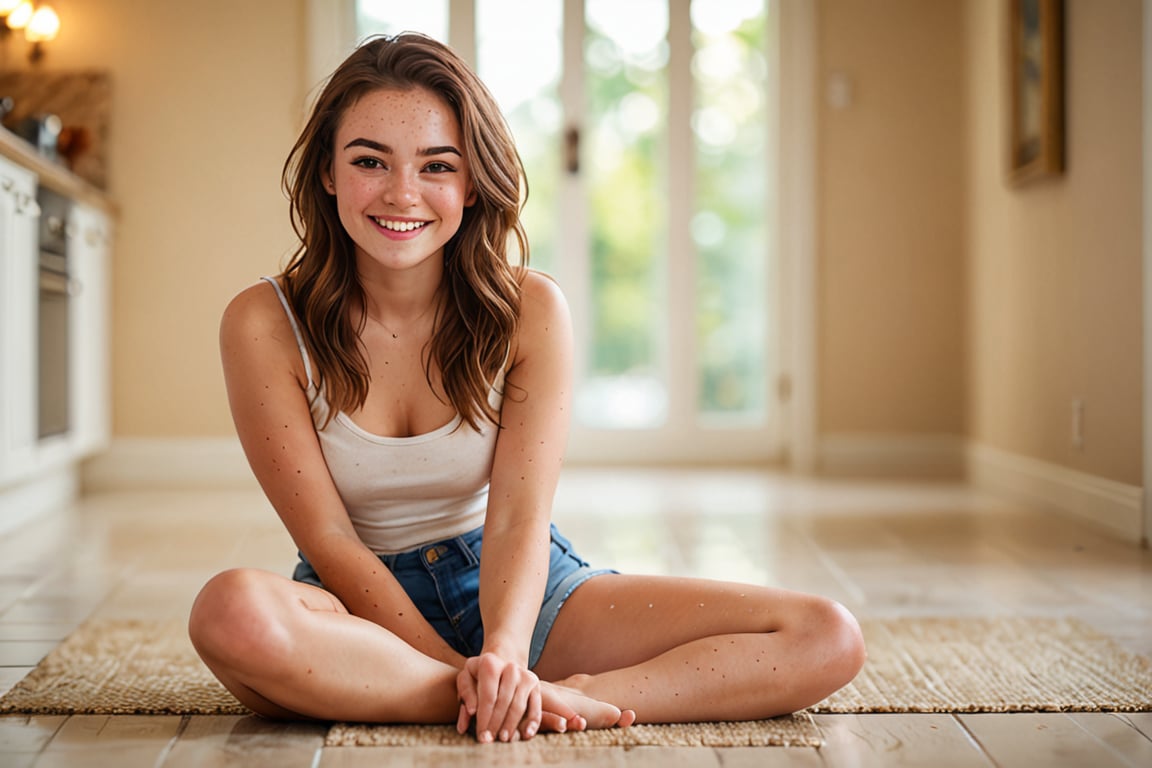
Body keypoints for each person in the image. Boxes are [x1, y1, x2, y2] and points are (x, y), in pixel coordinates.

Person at [188, 32, 865, 744]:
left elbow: (518, 518)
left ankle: (560, 698)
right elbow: (329, 540)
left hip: (523, 594)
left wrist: (507, 656)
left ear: (474, 182)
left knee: (825, 634)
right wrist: (456, 668)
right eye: (369, 161)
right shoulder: (263, 322)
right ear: (327, 172)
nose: (402, 194)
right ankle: (475, 700)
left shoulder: (531, 311)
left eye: (437, 166)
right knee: (229, 613)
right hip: (355, 615)